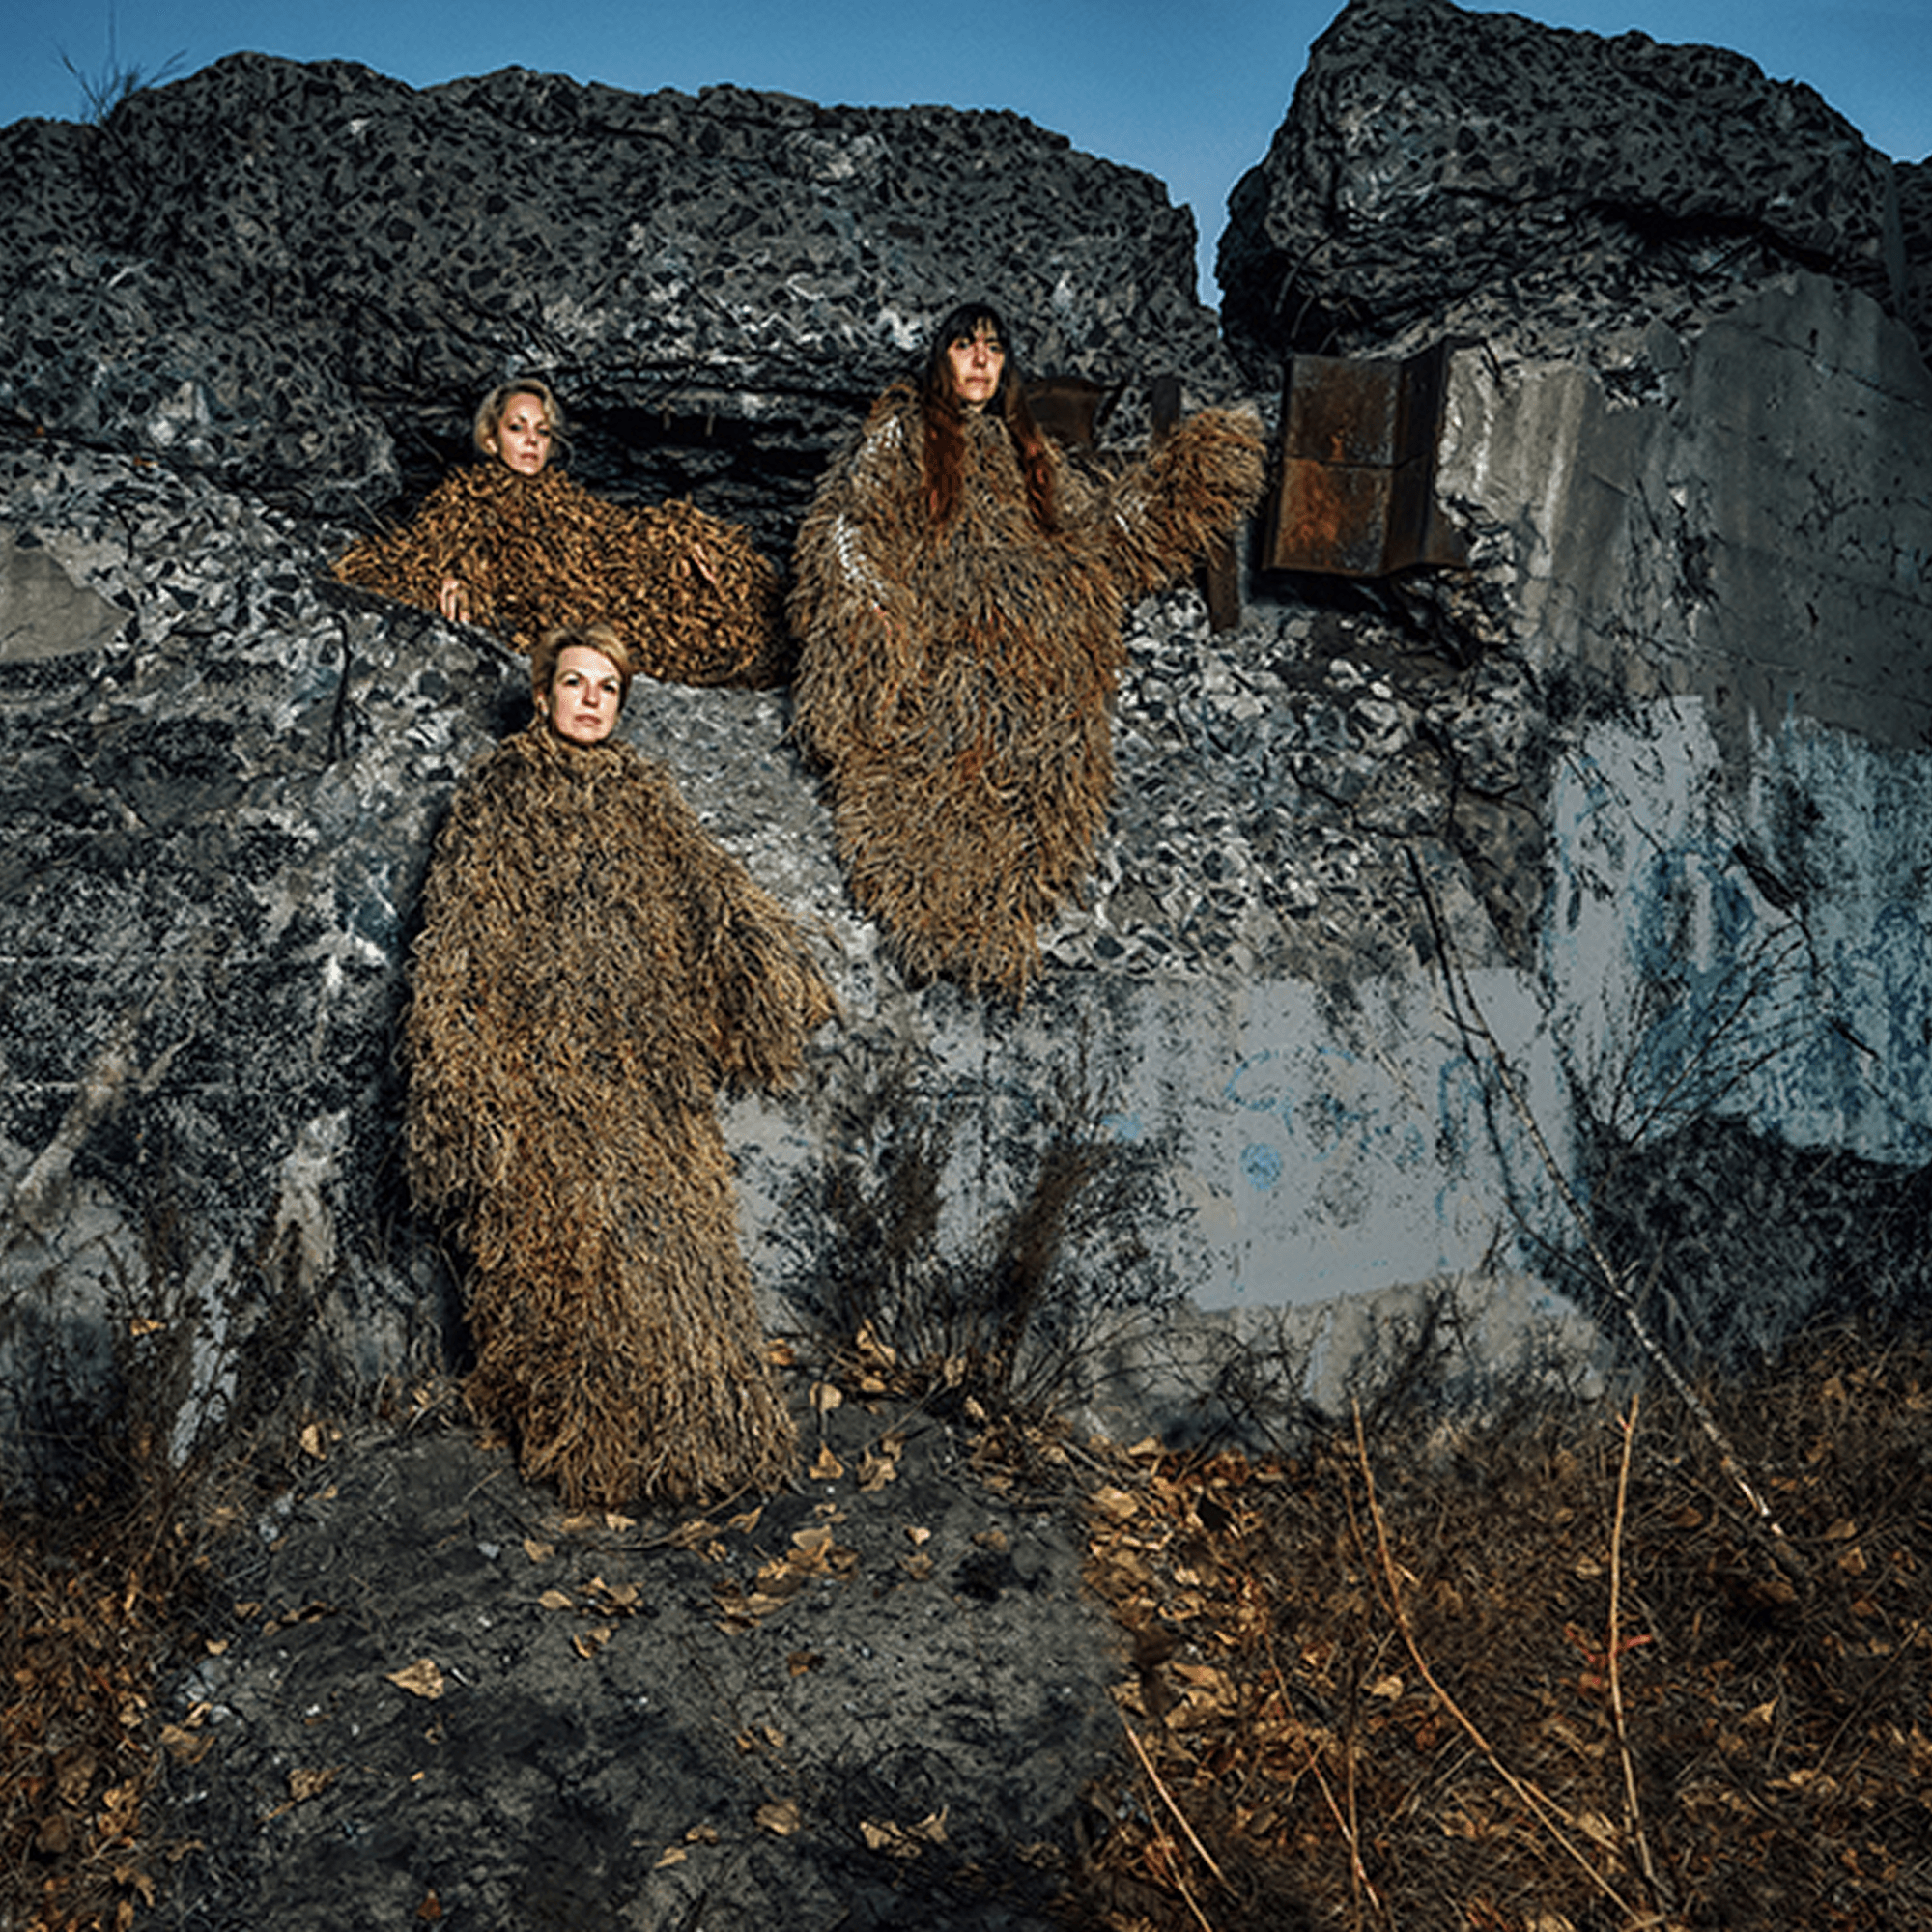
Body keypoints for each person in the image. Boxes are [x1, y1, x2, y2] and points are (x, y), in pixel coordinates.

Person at [402, 625, 838, 1506]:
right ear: (542, 695)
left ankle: (707, 1450)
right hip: (545, 1076)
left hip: (652, 1073)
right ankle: (594, 1457)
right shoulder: (497, 797)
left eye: (608, 688)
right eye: (575, 683)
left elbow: (712, 894)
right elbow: (456, 945)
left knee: (678, 1259)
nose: (592, 700)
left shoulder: (647, 798)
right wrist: (467, 1084)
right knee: (568, 1266)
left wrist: (772, 977)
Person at [788, 300, 1270, 997]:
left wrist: (1179, 488)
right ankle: (931, 931)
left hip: (1040, 668)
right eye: (964, 346)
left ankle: (994, 934)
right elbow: (850, 531)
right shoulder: (901, 435)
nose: (981, 360)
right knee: (933, 788)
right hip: (944, 652)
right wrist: (877, 619)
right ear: (941, 359)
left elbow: (1097, 534)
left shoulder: (1027, 448)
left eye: (992, 347)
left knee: (1035, 793)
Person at [333, 378, 787, 687]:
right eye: (517, 428)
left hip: (612, 586)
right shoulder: (465, 497)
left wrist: (683, 537)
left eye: (543, 431)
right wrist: (449, 575)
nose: (532, 440)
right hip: (567, 612)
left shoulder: (565, 496)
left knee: (715, 574)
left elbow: (617, 530)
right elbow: (421, 551)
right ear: (491, 439)